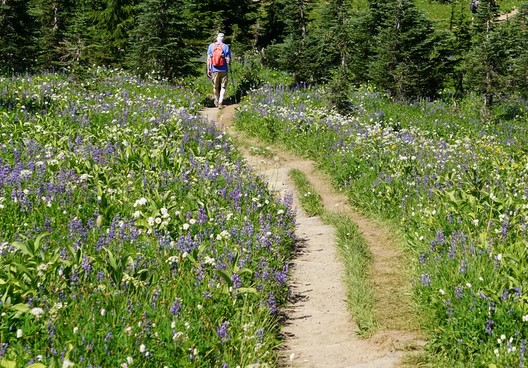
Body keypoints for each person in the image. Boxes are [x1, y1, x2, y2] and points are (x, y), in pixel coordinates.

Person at [207, 33, 231, 109]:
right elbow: (228, 60)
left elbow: (208, 59)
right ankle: (220, 102)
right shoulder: (226, 46)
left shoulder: (211, 46)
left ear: (217, 38)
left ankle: (216, 100)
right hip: (224, 69)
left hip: (214, 69)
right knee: (223, 86)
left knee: (215, 86)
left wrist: (208, 69)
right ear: (223, 38)